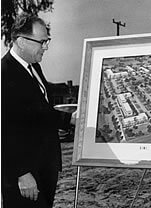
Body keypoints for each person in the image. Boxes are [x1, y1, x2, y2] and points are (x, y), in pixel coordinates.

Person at [1, 13, 75, 208]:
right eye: (42, 42)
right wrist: (22, 173)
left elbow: (38, 112)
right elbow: (5, 131)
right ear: (21, 41)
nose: (46, 47)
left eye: (47, 41)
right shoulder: (4, 73)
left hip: (45, 168)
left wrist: (64, 122)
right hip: (25, 177)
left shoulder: (34, 67)